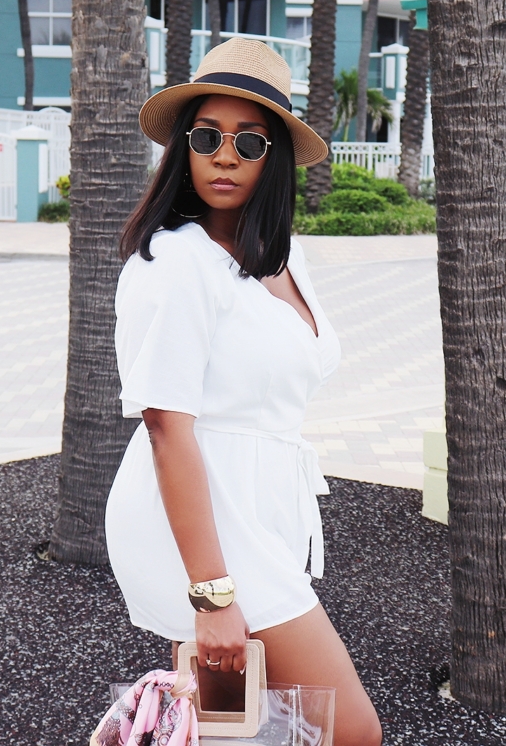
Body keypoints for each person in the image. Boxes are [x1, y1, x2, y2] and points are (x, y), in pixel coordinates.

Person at [105, 38, 382, 746]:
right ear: (185, 149)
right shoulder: (175, 261)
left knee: (231, 727)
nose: (224, 156)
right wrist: (212, 594)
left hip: (260, 511)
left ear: (276, 158)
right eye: (207, 137)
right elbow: (167, 426)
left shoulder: (284, 257)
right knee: (351, 731)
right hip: (205, 521)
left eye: (249, 142)